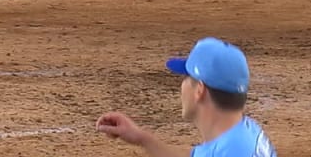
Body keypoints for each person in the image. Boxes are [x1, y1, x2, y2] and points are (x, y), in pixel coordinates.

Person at [97, 36, 277, 157]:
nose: (182, 86)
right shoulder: (243, 132)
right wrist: (142, 138)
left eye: (186, 78)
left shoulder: (234, 150)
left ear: (199, 90)